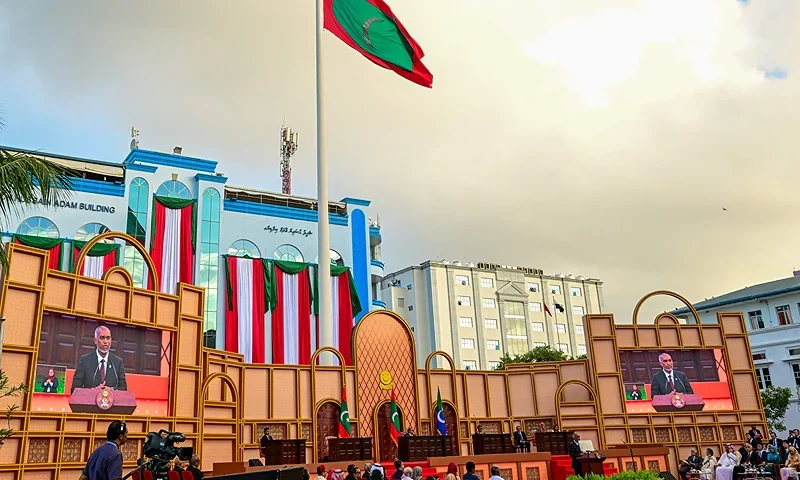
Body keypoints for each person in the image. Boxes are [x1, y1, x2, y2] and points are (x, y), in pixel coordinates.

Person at [71, 326, 128, 393]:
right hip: (89, 402)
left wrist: (112, 390)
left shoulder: (117, 362)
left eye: (108, 338)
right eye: (102, 338)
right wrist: (93, 391)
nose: (105, 341)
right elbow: (74, 389)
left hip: (111, 402)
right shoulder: (85, 361)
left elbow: (123, 389)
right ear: (95, 340)